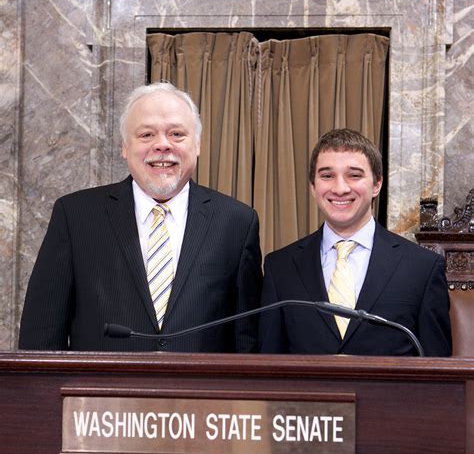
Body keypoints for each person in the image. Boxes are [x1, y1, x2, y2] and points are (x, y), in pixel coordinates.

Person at [19, 82, 262, 352]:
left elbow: (247, 339)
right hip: (100, 392)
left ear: (197, 145)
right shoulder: (75, 216)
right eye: (146, 135)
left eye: (177, 134)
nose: (162, 145)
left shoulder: (236, 223)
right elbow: (41, 333)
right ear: (125, 147)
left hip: (199, 393)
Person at [259, 128, 452, 356]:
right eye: (327, 176)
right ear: (313, 187)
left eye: (354, 175)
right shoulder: (280, 267)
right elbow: (270, 368)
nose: (340, 188)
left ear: (377, 184)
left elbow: (439, 375)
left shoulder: (422, 268)